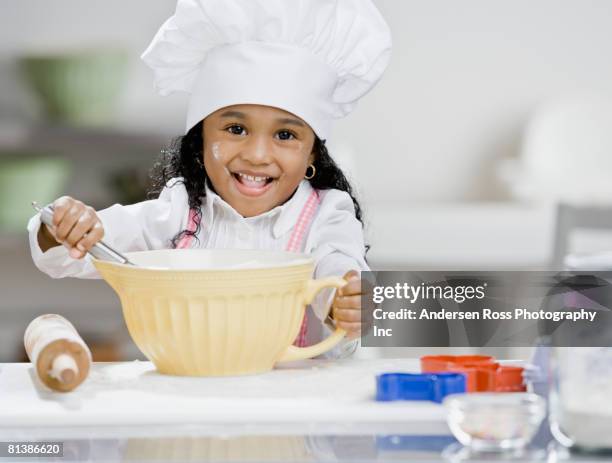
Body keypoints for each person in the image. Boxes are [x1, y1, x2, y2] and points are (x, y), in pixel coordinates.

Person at [28, 0, 392, 356]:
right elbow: (75, 251)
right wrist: (63, 225)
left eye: (285, 135)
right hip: (190, 399)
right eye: (236, 128)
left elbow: (339, 263)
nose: (257, 154)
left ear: (313, 152)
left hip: (298, 407)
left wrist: (347, 299)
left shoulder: (326, 215)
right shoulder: (178, 212)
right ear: (200, 139)